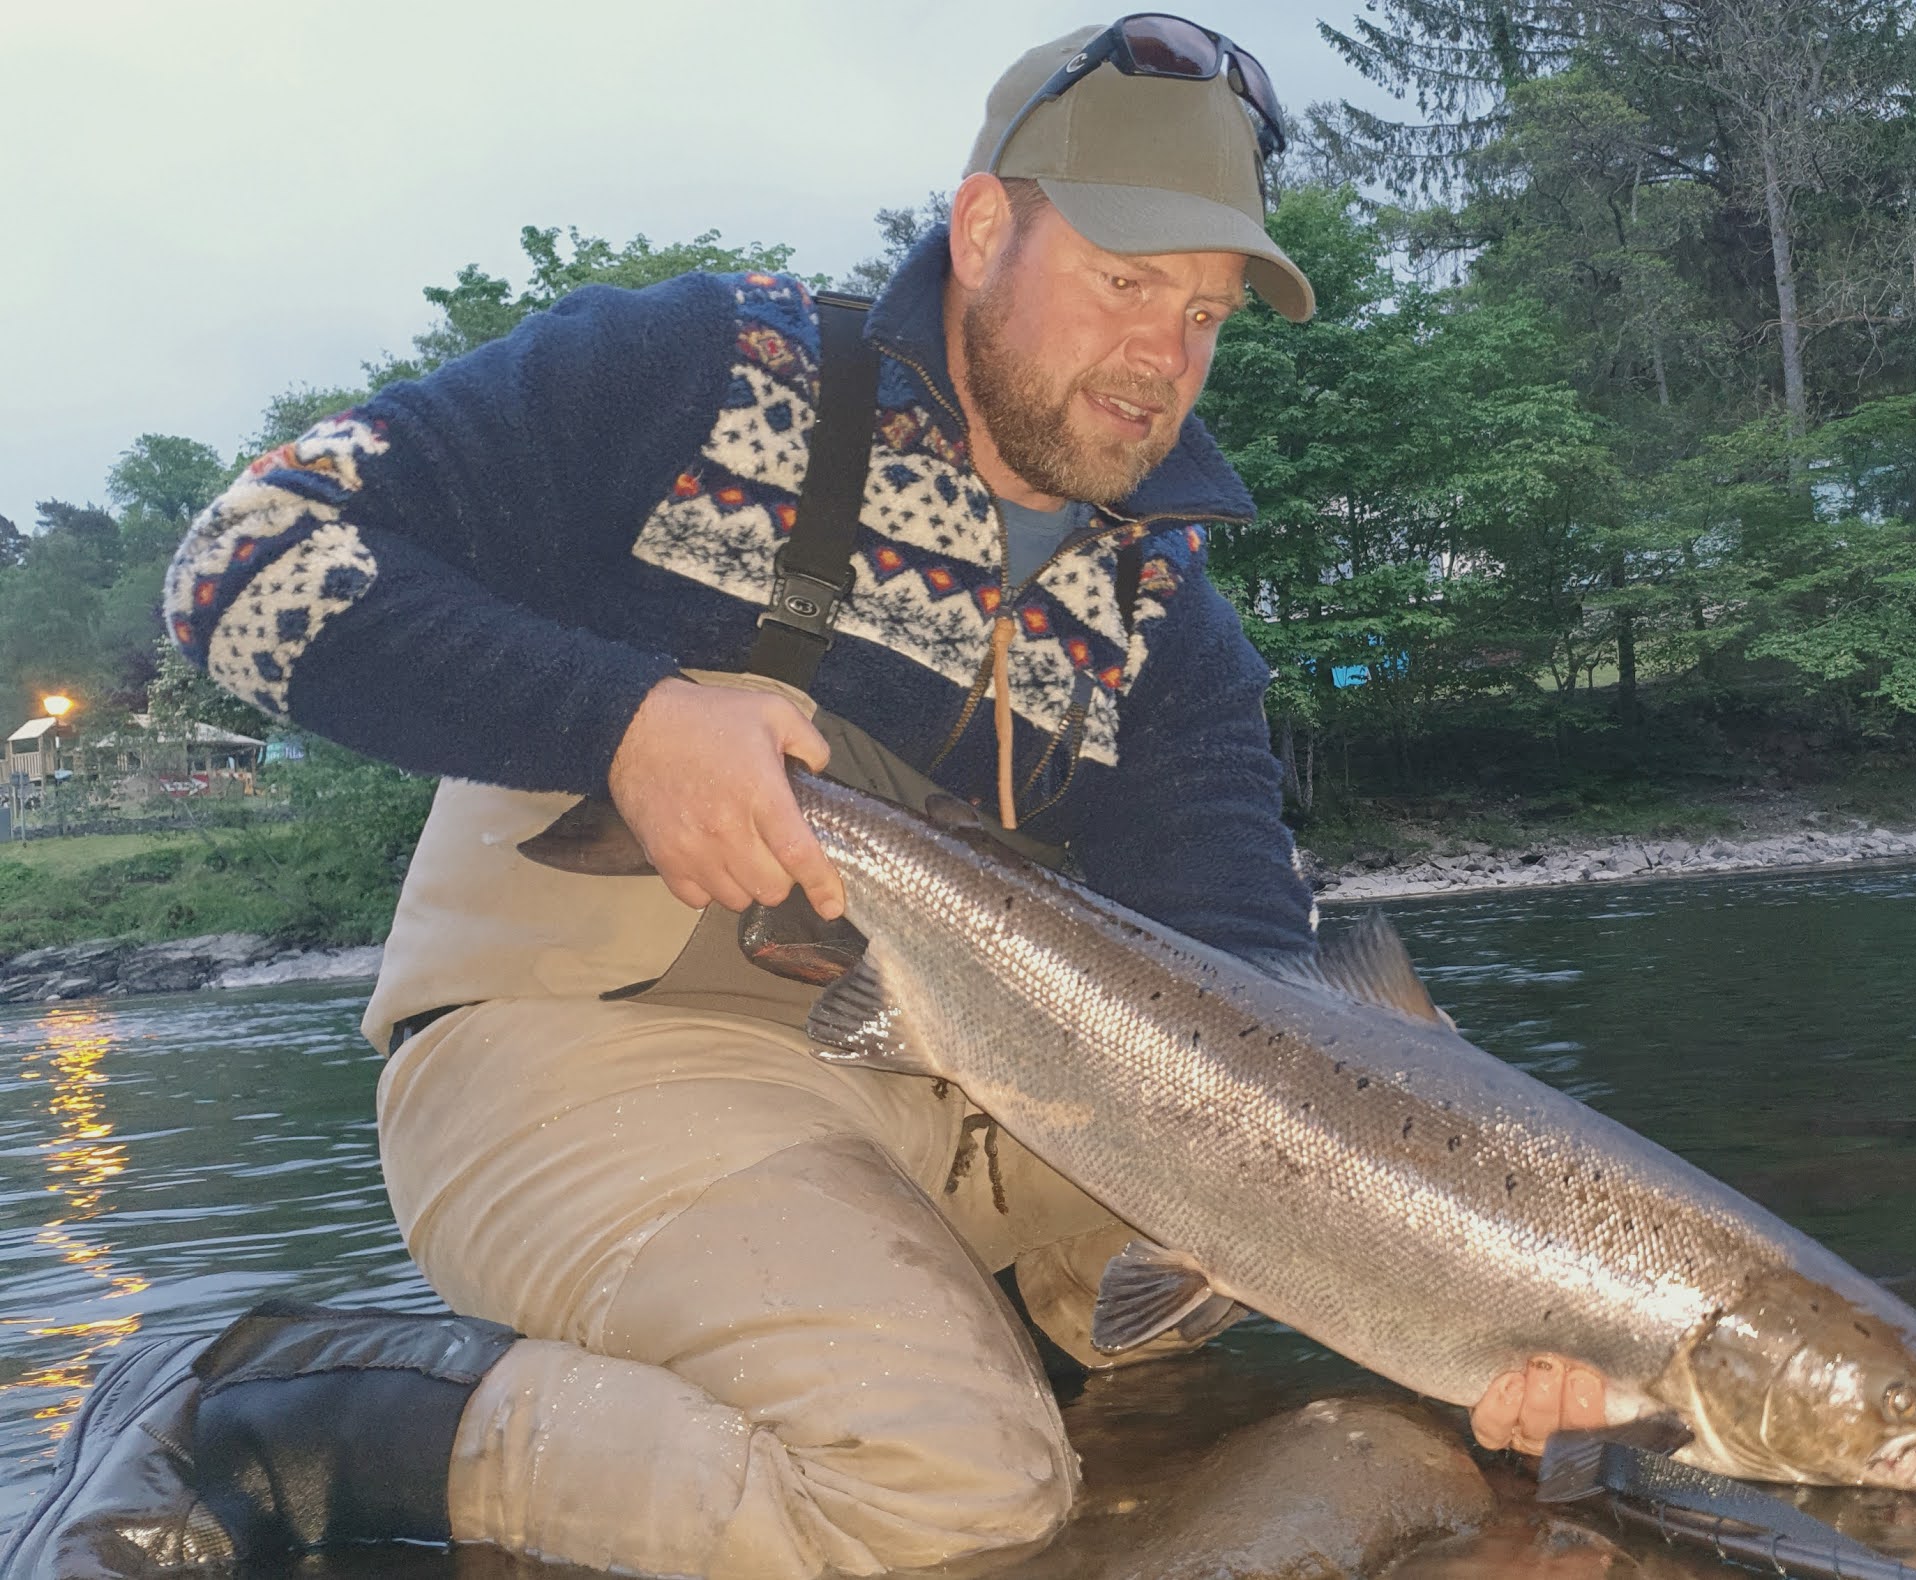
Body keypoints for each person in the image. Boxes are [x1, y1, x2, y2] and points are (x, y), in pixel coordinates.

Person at [5, 18, 1602, 1580]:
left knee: (1335, 1232)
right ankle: (298, 1407)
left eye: (1204, 316)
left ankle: (911, 1346)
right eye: (1126, 283)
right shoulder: (705, 370)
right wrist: (625, 720)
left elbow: (1251, 988)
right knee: (950, 1496)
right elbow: (245, 565)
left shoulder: (1167, 622)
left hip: (968, 1089)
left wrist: (1496, 1311)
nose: (1162, 358)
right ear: (983, 230)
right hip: (588, 1050)